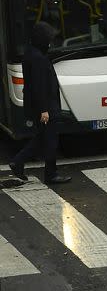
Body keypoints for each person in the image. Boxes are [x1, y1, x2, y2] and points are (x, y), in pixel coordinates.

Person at [9, 22, 71, 184]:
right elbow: (40, 86)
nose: (50, 42)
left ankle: (18, 162)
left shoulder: (31, 53)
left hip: (39, 105)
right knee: (50, 140)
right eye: (48, 38)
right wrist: (44, 110)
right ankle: (50, 174)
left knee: (42, 138)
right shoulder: (38, 58)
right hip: (45, 106)